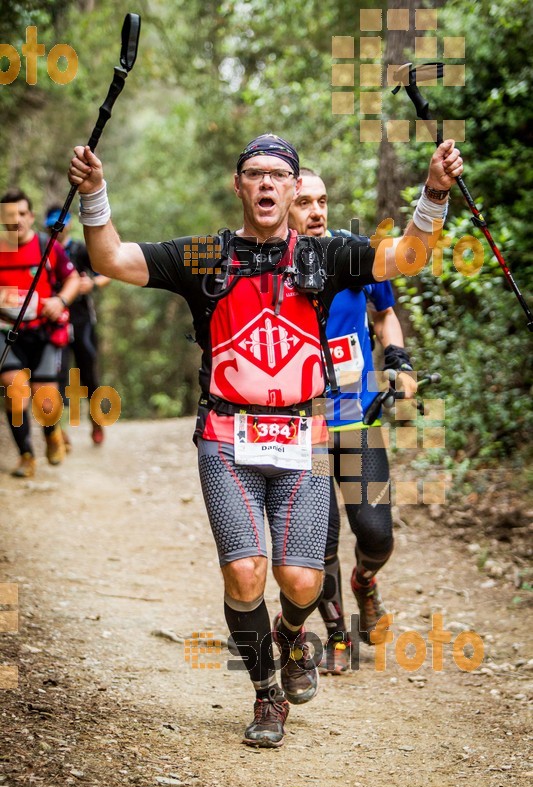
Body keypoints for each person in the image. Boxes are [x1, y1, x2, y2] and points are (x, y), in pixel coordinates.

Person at [68, 133, 462, 747]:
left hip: (304, 437)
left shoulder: (326, 257)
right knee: (246, 574)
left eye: (280, 174)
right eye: (255, 173)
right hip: (226, 437)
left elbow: (407, 257)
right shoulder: (205, 257)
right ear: (239, 185)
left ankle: (292, 633)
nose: (268, 184)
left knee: (302, 583)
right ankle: (267, 693)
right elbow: (111, 259)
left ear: (292, 185)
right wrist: (94, 194)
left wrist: (435, 190)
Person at [289, 169, 417, 675]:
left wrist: (399, 360)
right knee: (320, 541)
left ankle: (365, 579)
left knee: (377, 533)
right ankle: (338, 633)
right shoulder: (272, 267)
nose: (317, 211)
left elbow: (384, 315)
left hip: (355, 413)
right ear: (285, 209)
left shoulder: (357, 253)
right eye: (305, 203)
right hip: (302, 420)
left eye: (323, 200)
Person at [0, 189, 80, 478]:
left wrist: (60, 300)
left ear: (31, 217)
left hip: (44, 332)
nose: (16, 220)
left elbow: (72, 278)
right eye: (9, 215)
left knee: (45, 400)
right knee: (14, 389)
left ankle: (51, 435)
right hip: (8, 332)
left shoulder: (48, 246)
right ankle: (26, 456)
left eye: (21, 213)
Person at [44, 206, 110, 447]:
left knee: (88, 375)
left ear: (69, 224)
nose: (56, 229)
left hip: (82, 322)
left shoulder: (81, 250)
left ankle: (97, 422)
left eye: (60, 224)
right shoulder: (45, 251)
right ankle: (58, 432)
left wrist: (90, 284)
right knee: (56, 377)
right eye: (52, 225)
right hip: (53, 323)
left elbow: (107, 273)